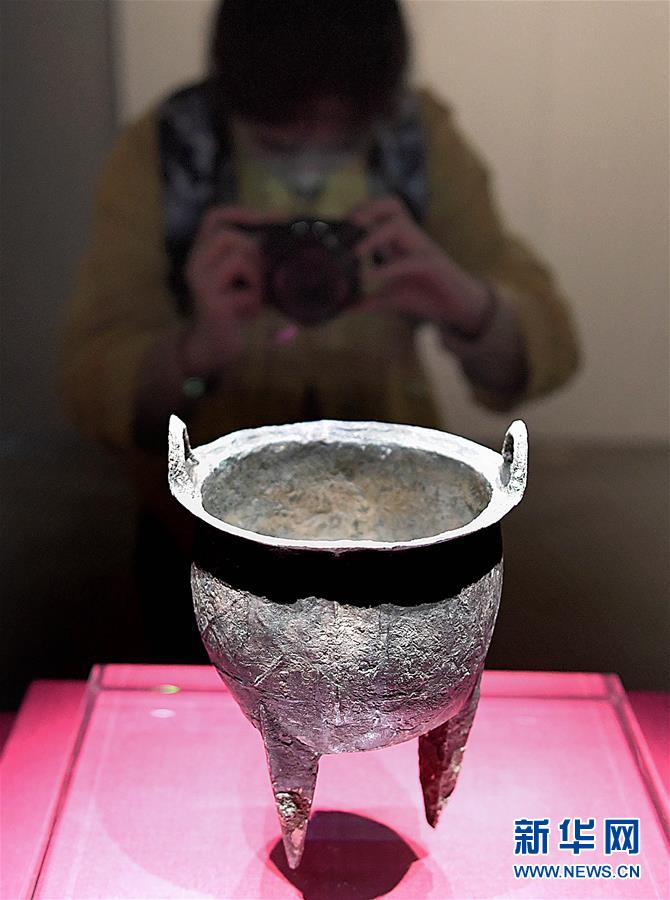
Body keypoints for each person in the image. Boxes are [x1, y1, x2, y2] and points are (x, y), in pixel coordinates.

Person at [61, 0, 580, 661]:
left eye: (341, 145)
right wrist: (195, 352)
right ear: (235, 102)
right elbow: (89, 380)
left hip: (395, 531)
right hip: (210, 540)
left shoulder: (414, 139)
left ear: (374, 109)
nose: (308, 171)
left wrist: (468, 303)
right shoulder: (172, 150)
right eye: (278, 146)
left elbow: (548, 342)